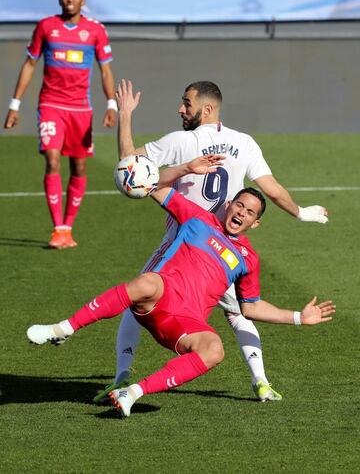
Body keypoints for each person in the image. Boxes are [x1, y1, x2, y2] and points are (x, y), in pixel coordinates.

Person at [26, 160, 335, 418]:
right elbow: (154, 187)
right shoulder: (198, 219)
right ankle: (63, 328)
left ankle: (133, 392)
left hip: (184, 323)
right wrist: (186, 167)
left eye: (250, 212)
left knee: (214, 350)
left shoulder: (247, 259)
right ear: (229, 205)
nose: (241, 212)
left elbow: (250, 308)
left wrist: (298, 317)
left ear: (255, 224)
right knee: (147, 280)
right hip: (159, 296)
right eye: (239, 204)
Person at [101, 79, 329, 403]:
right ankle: (261, 382)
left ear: (206, 109)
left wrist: (125, 115)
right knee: (239, 313)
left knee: (134, 299)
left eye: (186, 104)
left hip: (183, 248)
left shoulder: (182, 141)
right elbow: (273, 190)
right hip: (226, 252)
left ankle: (121, 377)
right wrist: (301, 213)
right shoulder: (244, 143)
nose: (181, 109)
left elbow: (129, 165)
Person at [3, 0, 117, 249]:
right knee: (52, 160)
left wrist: (111, 103)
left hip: (81, 109)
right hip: (51, 105)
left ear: (83, 1)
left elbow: (105, 70)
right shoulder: (46, 27)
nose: (70, 0)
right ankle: (58, 229)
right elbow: (30, 64)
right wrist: (14, 105)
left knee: (78, 166)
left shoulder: (95, 31)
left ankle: (68, 226)